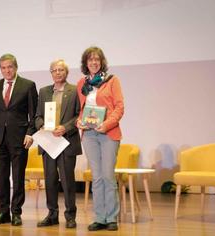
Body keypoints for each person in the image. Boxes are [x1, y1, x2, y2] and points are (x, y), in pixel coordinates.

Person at [76, 46, 124, 231]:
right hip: (89, 134)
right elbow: (80, 110)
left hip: (108, 133)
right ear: (85, 63)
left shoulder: (112, 81)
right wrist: (80, 121)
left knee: (108, 176)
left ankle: (111, 217)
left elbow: (119, 107)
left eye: (97, 59)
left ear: (101, 61)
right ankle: (100, 217)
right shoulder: (82, 83)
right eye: (90, 60)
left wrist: (107, 124)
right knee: (96, 178)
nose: (93, 62)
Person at [0, 53, 38, 226]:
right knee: (1, 177)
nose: (7, 70)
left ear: (16, 67)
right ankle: (3, 212)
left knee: (17, 177)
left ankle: (16, 212)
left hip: (19, 139)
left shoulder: (28, 85)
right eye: (3, 67)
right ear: (0, 69)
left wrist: (30, 134)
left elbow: (34, 113)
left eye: (10, 67)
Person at [34, 59, 82, 229]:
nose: (58, 72)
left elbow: (79, 116)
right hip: (49, 142)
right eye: (54, 70)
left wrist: (65, 128)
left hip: (66, 142)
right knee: (50, 180)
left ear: (66, 72)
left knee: (68, 181)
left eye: (61, 69)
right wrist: (42, 125)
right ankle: (52, 214)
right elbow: (37, 116)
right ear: (51, 73)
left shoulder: (75, 90)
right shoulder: (44, 91)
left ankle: (70, 215)